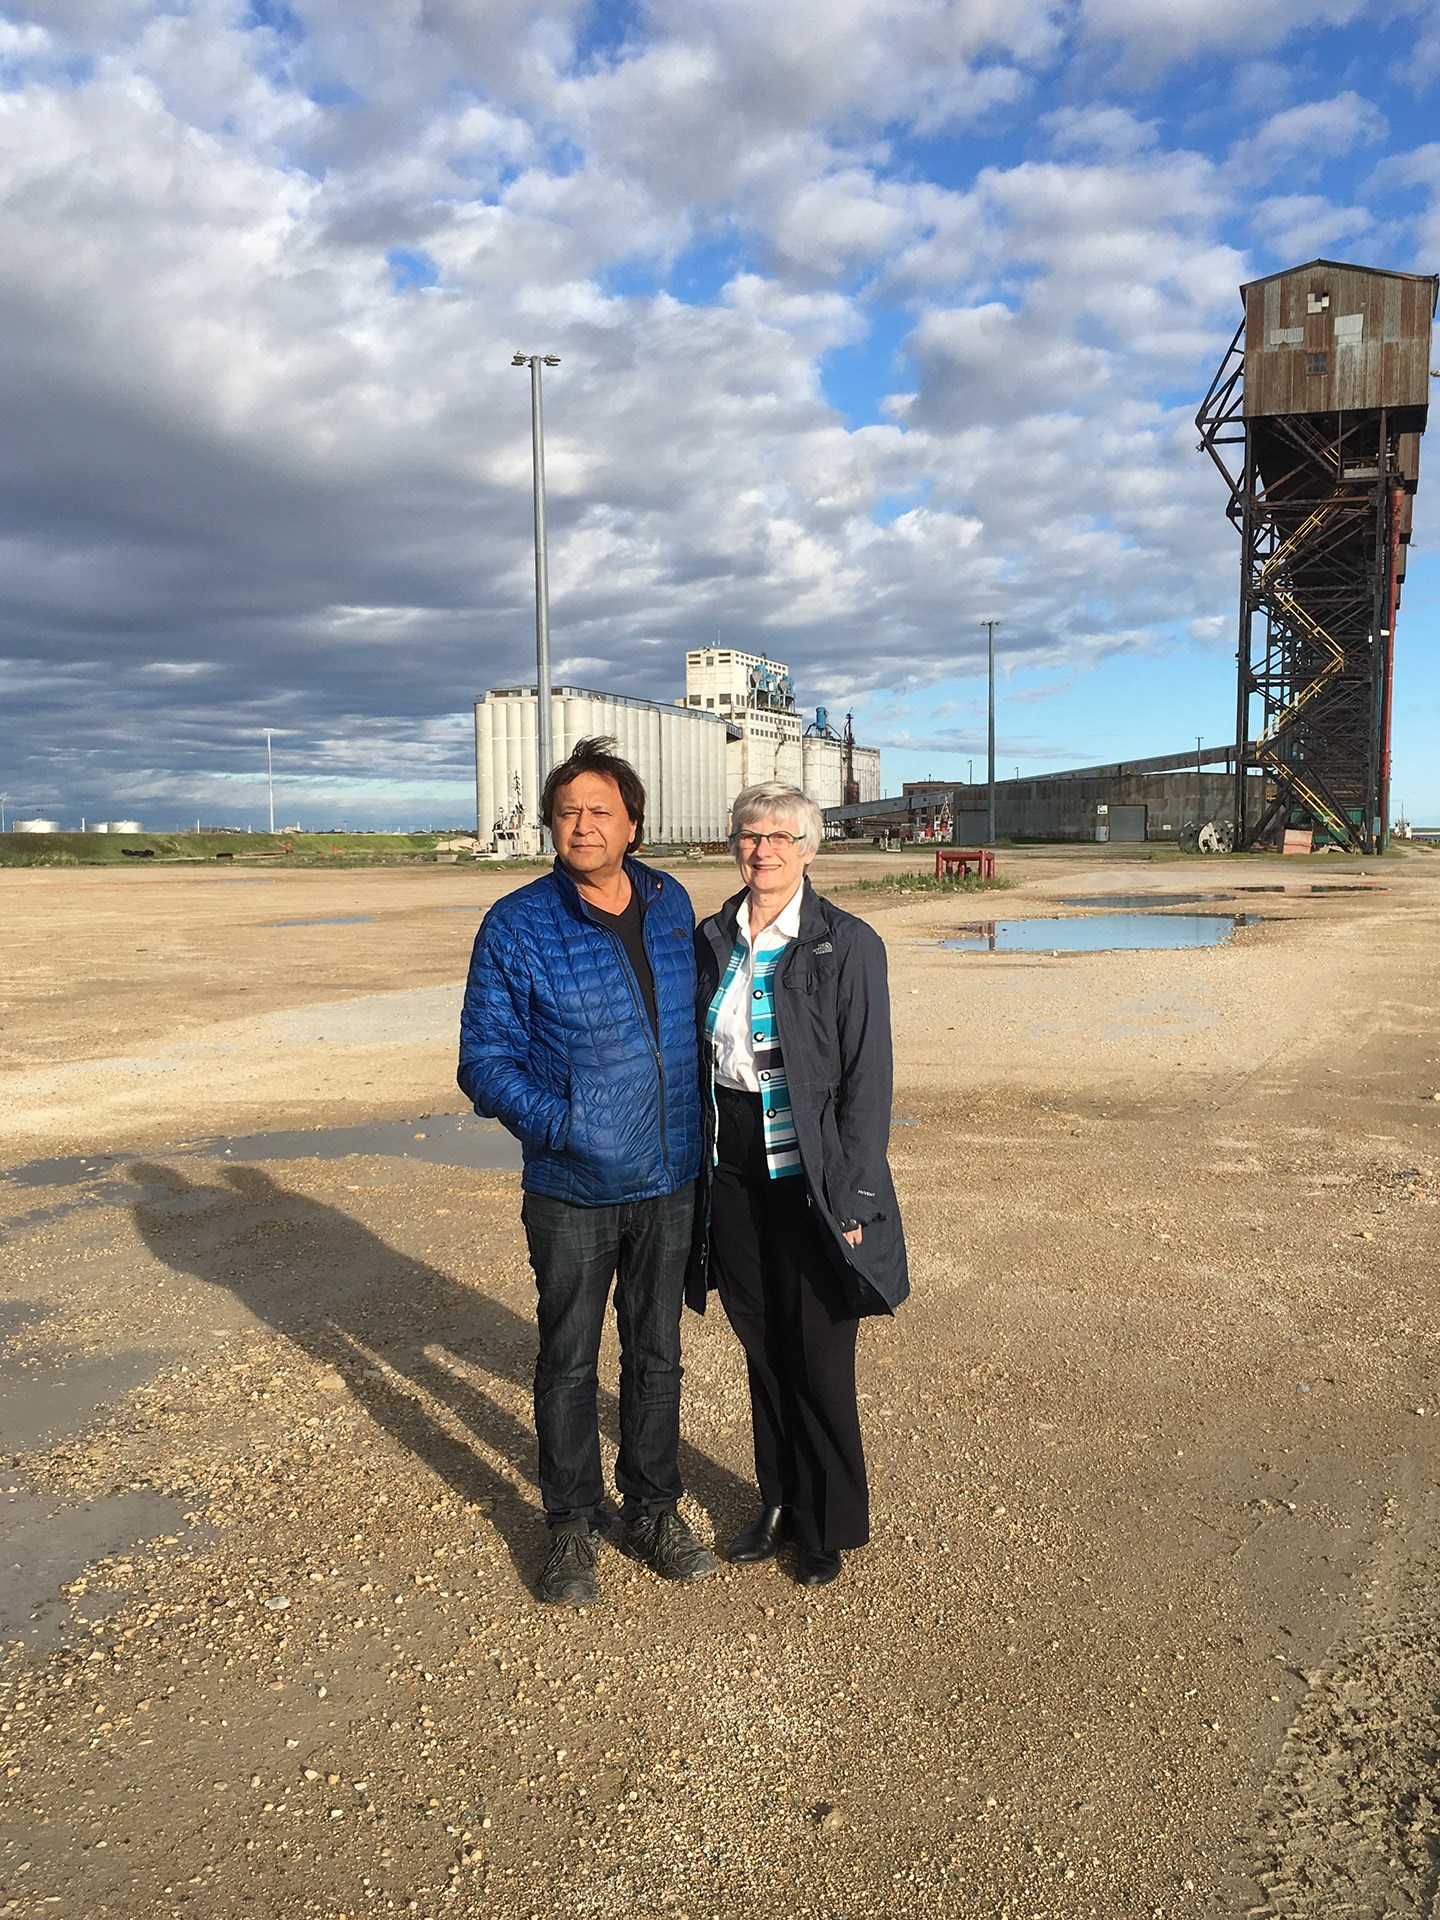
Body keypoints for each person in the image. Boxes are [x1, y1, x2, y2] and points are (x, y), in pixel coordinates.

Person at [458, 737, 717, 1606]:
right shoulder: (517, 924)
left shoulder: (671, 900)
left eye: (599, 810)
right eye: (567, 812)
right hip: (572, 1186)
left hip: (672, 1176)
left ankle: (653, 1508)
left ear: (633, 823)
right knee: (568, 1361)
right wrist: (567, 1127)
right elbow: (483, 1061)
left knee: (657, 1355)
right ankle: (571, 1524)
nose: (582, 825)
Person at [689, 781, 908, 1587]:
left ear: (811, 849)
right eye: (751, 834)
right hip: (735, 1161)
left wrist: (853, 1197)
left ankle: (826, 1521)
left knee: (818, 1350)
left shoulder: (845, 944)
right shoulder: (713, 937)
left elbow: (867, 1082)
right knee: (761, 1340)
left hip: (812, 1167)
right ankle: (776, 1500)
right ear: (734, 844)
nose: (765, 849)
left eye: (783, 836)